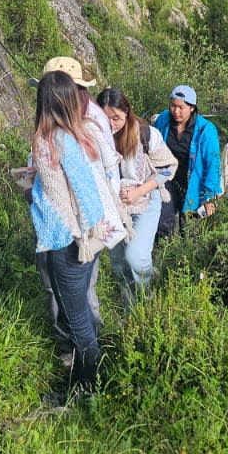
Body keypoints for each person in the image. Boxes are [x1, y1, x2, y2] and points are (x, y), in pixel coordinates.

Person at [28, 71, 125, 402]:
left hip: (67, 242)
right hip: (89, 238)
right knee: (81, 310)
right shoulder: (84, 132)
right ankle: (89, 378)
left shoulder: (49, 139)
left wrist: (82, 232)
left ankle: (86, 386)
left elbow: (69, 194)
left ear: (44, 100)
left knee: (76, 320)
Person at [96, 86, 174, 301]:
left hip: (146, 200)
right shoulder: (94, 137)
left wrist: (138, 191)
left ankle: (146, 294)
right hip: (112, 206)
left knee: (136, 257)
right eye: (105, 118)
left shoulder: (146, 134)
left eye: (116, 118)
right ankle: (130, 304)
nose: (110, 124)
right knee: (119, 261)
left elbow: (167, 168)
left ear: (127, 113)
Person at [153, 85, 221, 234]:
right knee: (163, 223)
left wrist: (209, 197)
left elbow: (213, 165)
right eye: (173, 106)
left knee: (189, 229)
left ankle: (184, 256)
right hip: (167, 180)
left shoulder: (206, 130)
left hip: (194, 185)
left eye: (181, 107)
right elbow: (152, 147)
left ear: (192, 108)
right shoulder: (163, 120)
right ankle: (162, 254)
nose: (176, 111)